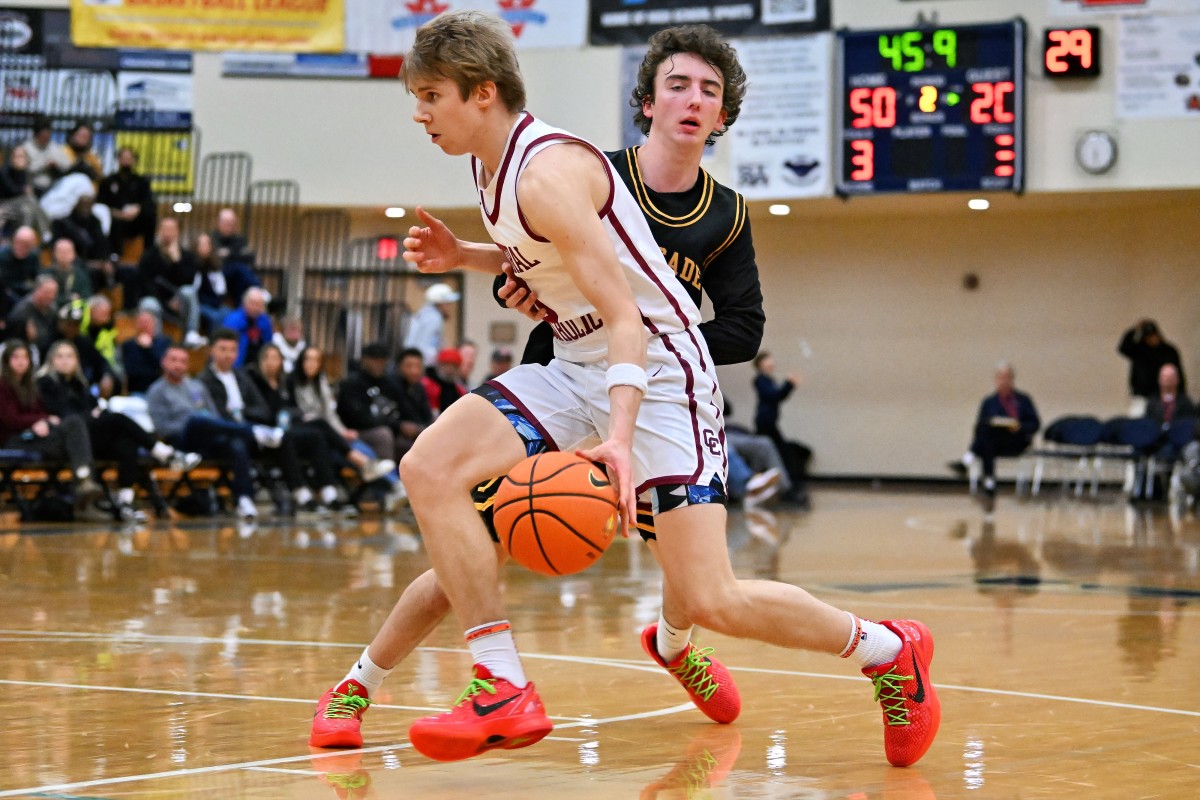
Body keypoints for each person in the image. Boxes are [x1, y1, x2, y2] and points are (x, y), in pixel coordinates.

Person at [309, 13, 939, 768]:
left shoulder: (549, 173)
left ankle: (886, 649)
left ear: (480, 94)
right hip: (577, 362)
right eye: (677, 84)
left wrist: (616, 433)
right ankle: (498, 684)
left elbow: (628, 319)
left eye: (430, 95)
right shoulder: (490, 163)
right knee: (430, 470)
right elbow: (546, 270)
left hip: (662, 373)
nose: (419, 111)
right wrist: (467, 256)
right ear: (649, 101)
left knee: (712, 599)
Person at [36, 339, 199, 521]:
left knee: (126, 441)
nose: (65, 361)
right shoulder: (44, 383)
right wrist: (93, 414)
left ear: (77, 360)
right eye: (60, 357)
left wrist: (95, 414)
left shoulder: (79, 384)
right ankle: (166, 454)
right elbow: (65, 414)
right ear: (51, 360)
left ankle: (125, 501)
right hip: (65, 440)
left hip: (88, 440)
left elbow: (97, 408)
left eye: (69, 356)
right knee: (117, 419)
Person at [146, 344, 275, 521]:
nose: (178, 365)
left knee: (236, 444)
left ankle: (244, 499)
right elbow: (161, 428)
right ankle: (253, 431)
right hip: (181, 442)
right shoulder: (156, 391)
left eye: (183, 361)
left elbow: (214, 417)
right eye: (173, 360)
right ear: (164, 362)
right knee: (195, 420)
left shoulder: (196, 386)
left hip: (207, 439)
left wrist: (207, 425)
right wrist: (191, 424)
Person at [245, 342, 344, 514]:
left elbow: (292, 408)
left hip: (286, 428)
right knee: (287, 437)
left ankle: (328, 488)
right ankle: (299, 491)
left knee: (316, 435)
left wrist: (292, 415)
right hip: (264, 433)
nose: (271, 362)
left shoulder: (284, 382)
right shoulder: (253, 381)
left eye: (276, 358)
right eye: (267, 358)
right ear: (260, 361)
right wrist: (275, 416)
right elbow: (253, 409)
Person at [290, 344, 397, 487]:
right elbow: (304, 415)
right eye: (308, 359)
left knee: (361, 447)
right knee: (325, 427)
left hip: (328, 431)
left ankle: (391, 484)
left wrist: (342, 431)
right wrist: (339, 432)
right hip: (307, 431)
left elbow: (330, 413)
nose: (312, 364)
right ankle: (385, 479)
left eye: (316, 360)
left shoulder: (320, 382)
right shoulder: (292, 382)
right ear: (301, 361)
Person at [0, 338, 97, 493]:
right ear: (6, 361)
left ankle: (83, 484)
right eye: (16, 357)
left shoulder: (30, 386)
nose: (21, 362)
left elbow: (39, 411)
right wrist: (39, 420)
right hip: (13, 440)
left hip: (33, 436)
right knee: (73, 430)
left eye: (25, 357)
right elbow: (10, 419)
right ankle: (83, 481)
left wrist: (44, 420)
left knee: (74, 425)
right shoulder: (3, 386)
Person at [949, 362, 1041, 504]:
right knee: (987, 438)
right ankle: (989, 482)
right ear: (996, 380)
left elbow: (1035, 424)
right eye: (1000, 377)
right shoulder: (989, 402)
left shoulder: (1023, 400)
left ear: (1012, 379)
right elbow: (979, 427)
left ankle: (968, 462)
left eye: (1007, 377)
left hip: (1017, 441)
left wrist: (1020, 426)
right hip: (994, 442)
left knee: (986, 440)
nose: (1003, 381)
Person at [752, 352, 811, 506]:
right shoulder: (760, 380)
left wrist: (790, 385)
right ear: (761, 363)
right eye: (768, 359)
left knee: (775, 454)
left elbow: (779, 397)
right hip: (765, 423)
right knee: (779, 453)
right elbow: (774, 396)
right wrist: (788, 384)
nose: (772, 362)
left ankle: (776, 486)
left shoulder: (768, 380)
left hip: (770, 423)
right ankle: (783, 489)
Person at [136, 217, 206, 346]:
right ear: (159, 231)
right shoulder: (149, 255)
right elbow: (145, 284)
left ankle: (191, 334)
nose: (167, 233)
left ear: (178, 232)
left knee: (188, 292)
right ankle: (157, 342)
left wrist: (176, 261)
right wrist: (165, 302)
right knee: (149, 303)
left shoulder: (187, 256)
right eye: (164, 229)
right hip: (157, 300)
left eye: (171, 229)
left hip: (179, 301)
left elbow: (189, 281)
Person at [97, 146, 156, 257]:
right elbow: (100, 204)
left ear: (134, 160)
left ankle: (149, 253)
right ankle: (113, 256)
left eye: (129, 158)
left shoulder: (141, 182)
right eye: (123, 158)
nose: (126, 161)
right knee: (110, 222)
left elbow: (148, 201)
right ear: (118, 159)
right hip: (114, 220)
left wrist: (138, 209)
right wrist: (117, 213)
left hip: (134, 222)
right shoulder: (108, 181)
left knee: (150, 214)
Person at [1119, 320, 1185, 404]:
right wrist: (1134, 330)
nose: (1152, 339)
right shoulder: (1139, 350)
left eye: (1153, 335)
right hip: (1142, 395)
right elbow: (1123, 348)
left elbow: (1178, 372)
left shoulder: (1169, 351)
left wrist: (1181, 393)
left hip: (1165, 394)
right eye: (1148, 337)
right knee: (1138, 415)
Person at [403, 282, 459, 364]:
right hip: (424, 365)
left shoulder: (422, 315)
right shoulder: (434, 318)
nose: (450, 307)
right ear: (440, 303)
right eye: (448, 303)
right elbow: (427, 347)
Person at [121, 307, 173, 394]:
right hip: (137, 390)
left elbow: (163, 365)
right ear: (136, 324)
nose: (144, 325)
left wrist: (149, 348)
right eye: (141, 322)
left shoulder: (164, 342)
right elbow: (130, 369)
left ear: (154, 324)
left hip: (159, 390)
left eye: (147, 322)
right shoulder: (128, 344)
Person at [222, 286, 273, 367]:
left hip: (259, 365)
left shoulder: (265, 321)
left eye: (260, 305)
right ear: (245, 303)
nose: (256, 308)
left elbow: (268, 344)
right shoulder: (232, 320)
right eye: (253, 304)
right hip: (238, 365)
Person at [5, 275, 58, 353]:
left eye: (54, 293)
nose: (51, 296)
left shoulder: (53, 308)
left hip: (49, 350)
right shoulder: (21, 312)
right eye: (47, 292)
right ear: (36, 290)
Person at [22, 115, 70, 197]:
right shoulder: (26, 148)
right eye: (43, 136)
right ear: (36, 135)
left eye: (48, 136)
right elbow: (27, 169)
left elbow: (67, 164)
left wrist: (56, 164)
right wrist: (45, 164)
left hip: (52, 189)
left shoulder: (53, 146)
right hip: (33, 188)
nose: (45, 139)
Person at [40, 238, 92, 308]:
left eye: (67, 252)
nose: (64, 255)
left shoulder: (81, 275)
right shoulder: (46, 274)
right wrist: (69, 299)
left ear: (74, 254)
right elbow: (45, 298)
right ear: (54, 254)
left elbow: (86, 297)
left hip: (76, 312)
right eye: (60, 252)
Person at [422, 346, 467, 416]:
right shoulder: (426, 384)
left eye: (454, 366)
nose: (450, 370)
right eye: (446, 364)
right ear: (439, 365)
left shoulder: (459, 391)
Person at [0, 226, 41, 298]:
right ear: (14, 241)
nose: (20, 246)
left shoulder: (33, 256)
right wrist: (26, 286)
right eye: (18, 242)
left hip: (26, 293)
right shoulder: (3, 256)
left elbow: (36, 276)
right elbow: (6, 282)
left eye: (26, 245)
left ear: (31, 245)